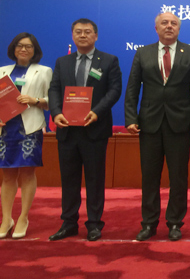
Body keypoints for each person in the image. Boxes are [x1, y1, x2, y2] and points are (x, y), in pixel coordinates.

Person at [124, 12, 190, 242]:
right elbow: (132, 88)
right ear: (156, 28)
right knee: (150, 176)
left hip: (180, 124)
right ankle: (149, 223)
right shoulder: (143, 52)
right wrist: (130, 117)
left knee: (178, 177)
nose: (169, 26)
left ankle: (175, 223)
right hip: (149, 123)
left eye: (174, 23)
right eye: (164, 23)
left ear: (179, 28)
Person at [48, 19, 122, 241]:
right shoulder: (63, 61)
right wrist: (56, 113)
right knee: (69, 179)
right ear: (72, 35)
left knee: (95, 180)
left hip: (95, 129)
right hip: (67, 129)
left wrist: (97, 112)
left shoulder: (108, 60)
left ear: (95, 36)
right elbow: (54, 89)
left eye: (87, 32)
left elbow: (114, 90)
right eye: (78, 32)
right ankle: (69, 223)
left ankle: (94, 224)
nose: (83, 35)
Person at [0, 33, 52, 239]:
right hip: (6, 129)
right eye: (20, 45)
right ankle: (6, 219)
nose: (23, 49)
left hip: (30, 128)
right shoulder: (2, 71)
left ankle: (23, 217)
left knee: (28, 172)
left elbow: (52, 100)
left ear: (35, 50)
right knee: (7, 175)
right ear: (13, 48)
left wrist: (34, 100)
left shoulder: (44, 71)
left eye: (28, 46)